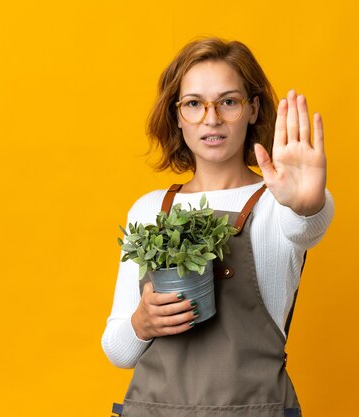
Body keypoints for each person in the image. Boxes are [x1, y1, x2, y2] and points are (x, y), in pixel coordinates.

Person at [102, 37, 334, 417]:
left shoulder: (282, 202)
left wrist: (308, 203)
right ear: (177, 116)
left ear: (253, 109)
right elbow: (118, 351)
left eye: (228, 101)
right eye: (193, 103)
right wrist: (142, 322)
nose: (211, 119)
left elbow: (306, 225)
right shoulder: (147, 211)